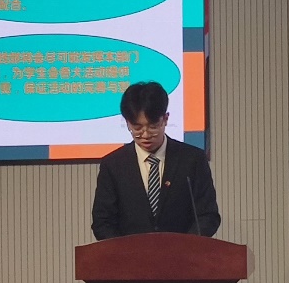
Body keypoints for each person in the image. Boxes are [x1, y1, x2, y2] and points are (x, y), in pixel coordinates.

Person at [91, 81, 221, 239]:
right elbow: (102, 222)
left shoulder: (192, 160)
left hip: (182, 252)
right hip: (130, 254)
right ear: (127, 122)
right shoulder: (113, 165)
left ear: (165, 119)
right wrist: (125, 249)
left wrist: (184, 245)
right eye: (137, 128)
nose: (145, 134)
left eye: (153, 126)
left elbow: (208, 215)